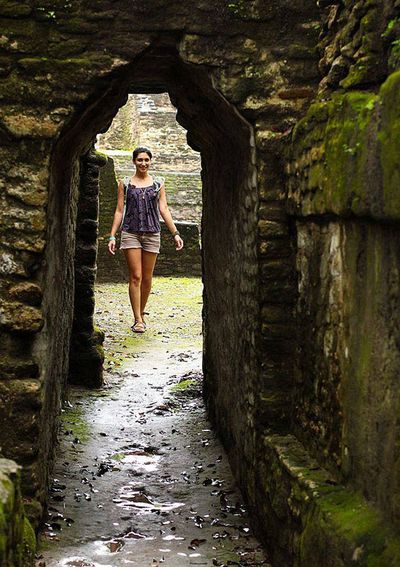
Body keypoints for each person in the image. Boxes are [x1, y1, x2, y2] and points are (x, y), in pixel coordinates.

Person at [108, 147, 184, 333]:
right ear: (134, 161)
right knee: (136, 276)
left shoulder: (158, 184)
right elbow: (119, 210)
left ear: (150, 162)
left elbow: (164, 209)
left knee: (147, 278)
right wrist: (112, 235)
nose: (143, 163)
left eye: (146, 160)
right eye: (140, 160)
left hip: (152, 233)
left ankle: (141, 313)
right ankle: (137, 319)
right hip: (130, 232)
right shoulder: (125, 184)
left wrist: (175, 233)